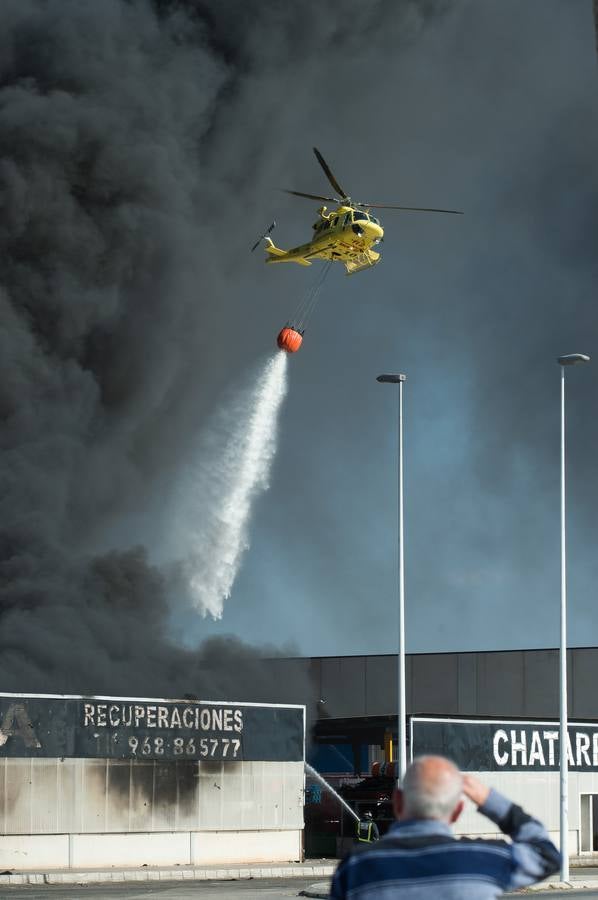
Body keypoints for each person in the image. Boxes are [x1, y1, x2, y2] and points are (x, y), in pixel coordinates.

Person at [330, 754, 560, 899]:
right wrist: (490, 800)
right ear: (458, 811)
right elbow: (547, 855)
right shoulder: (485, 859)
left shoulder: (356, 867)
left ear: (397, 802)